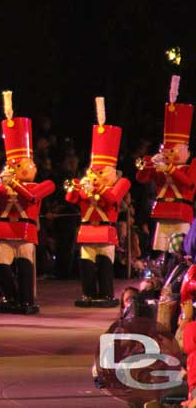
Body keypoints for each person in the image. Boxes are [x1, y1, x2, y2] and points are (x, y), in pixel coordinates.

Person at [0, 92, 56, 315]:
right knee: (1, 265)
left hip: (26, 228)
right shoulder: (6, 185)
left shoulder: (39, 185)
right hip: (6, 227)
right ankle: (12, 296)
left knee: (26, 265)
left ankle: (26, 300)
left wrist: (13, 184)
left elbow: (31, 198)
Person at [65, 102, 131, 307]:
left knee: (104, 265)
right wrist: (75, 188)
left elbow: (112, 198)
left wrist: (97, 188)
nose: (94, 175)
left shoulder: (121, 182)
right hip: (87, 229)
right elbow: (70, 200)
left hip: (106, 230)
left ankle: (106, 294)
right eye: (94, 171)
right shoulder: (87, 185)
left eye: (100, 172)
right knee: (86, 264)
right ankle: (88, 294)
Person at [136, 77, 194, 255]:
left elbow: (188, 183)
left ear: (186, 152)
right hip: (162, 211)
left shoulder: (191, 166)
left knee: (180, 251)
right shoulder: (161, 167)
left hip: (182, 212)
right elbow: (141, 178)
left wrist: (169, 169)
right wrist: (148, 163)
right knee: (163, 251)